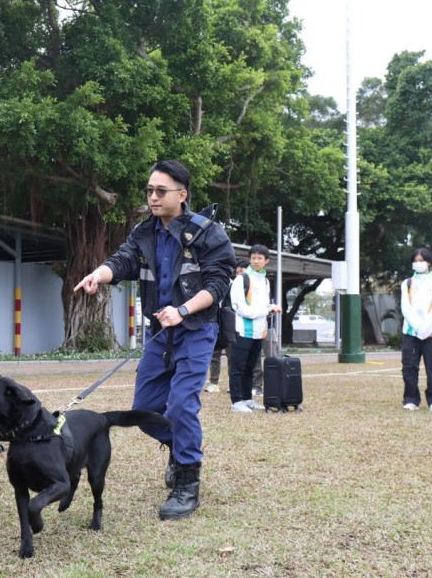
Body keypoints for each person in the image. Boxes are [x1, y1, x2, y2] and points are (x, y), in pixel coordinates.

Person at [74, 159, 235, 521]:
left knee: (180, 405)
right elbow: (123, 260)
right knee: (144, 412)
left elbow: (218, 283)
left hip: (196, 330)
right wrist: (98, 275)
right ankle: (181, 452)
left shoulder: (209, 233)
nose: (153, 197)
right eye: (149, 190)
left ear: (183, 194)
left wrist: (183, 310)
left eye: (160, 191)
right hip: (159, 334)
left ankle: (187, 481)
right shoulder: (144, 232)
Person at [229, 246, 281, 412]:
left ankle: (247, 399)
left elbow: (264, 304)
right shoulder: (242, 279)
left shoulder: (265, 280)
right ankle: (236, 402)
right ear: (250, 259)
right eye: (253, 258)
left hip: (260, 331)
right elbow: (241, 309)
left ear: (266, 260)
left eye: (260, 258)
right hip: (242, 330)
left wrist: (271, 306)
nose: (256, 261)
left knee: (251, 367)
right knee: (238, 367)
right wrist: (267, 309)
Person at [204, 258, 263, 394]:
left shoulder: (250, 284)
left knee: (238, 357)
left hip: (242, 325)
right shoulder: (224, 284)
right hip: (219, 322)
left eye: (241, 270)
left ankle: (251, 386)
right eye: (237, 271)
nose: (238, 273)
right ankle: (214, 382)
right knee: (215, 354)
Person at [400, 247, 432, 411]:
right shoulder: (407, 283)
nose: (419, 264)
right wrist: (417, 328)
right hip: (411, 332)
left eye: (422, 260)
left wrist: (425, 329)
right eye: (416, 261)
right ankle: (410, 399)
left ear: (429, 263)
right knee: (409, 367)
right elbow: (405, 307)